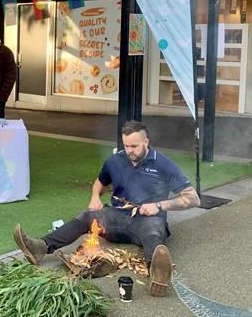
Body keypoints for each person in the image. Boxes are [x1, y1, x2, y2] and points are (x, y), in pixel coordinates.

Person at [13, 121, 201, 297]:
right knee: (87, 216)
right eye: (126, 145)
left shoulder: (163, 164)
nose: (129, 151)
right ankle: (40, 247)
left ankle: (158, 276)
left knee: (153, 233)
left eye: (134, 146)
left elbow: (193, 198)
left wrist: (159, 205)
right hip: (117, 217)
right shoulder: (115, 161)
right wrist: (95, 197)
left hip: (147, 221)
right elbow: (100, 182)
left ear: (146, 142)